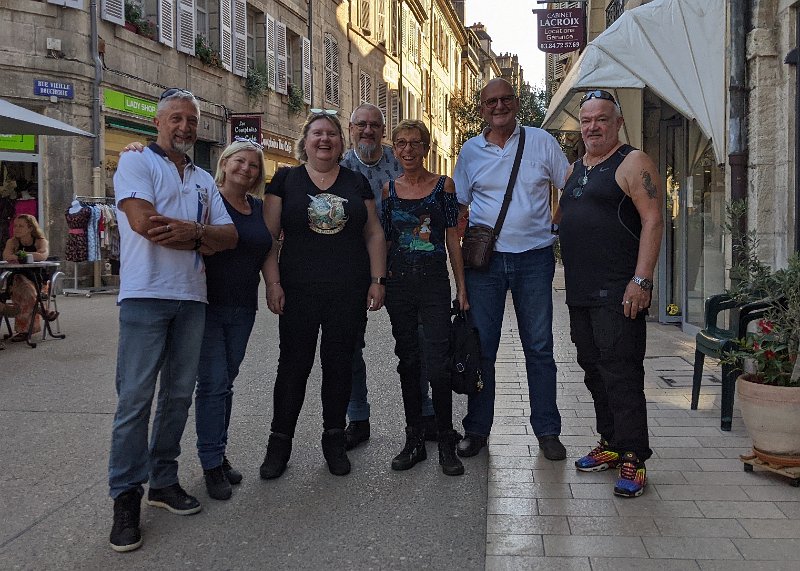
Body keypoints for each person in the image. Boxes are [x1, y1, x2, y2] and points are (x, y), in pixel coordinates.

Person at [108, 88, 237, 553]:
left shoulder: (203, 177)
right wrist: (202, 239)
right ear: (158, 122)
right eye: (177, 118)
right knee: (135, 400)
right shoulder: (136, 161)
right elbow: (145, 224)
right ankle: (126, 495)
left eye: (192, 120)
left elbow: (229, 236)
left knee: (178, 397)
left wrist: (197, 232)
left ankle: (163, 481)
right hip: (145, 295)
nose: (185, 127)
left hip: (192, 298)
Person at [120, 136, 273, 501]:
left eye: (253, 165)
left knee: (225, 384)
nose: (246, 169)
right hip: (205, 303)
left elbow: (258, 245)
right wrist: (138, 147)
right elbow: (180, 233)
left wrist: (273, 285)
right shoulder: (207, 195)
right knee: (213, 385)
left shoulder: (256, 206)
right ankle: (210, 463)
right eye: (239, 161)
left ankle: (217, 452)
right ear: (225, 163)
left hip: (243, 306)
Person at [259, 110, 386, 479]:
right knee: (293, 367)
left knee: (339, 366)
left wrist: (377, 279)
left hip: (347, 291)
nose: (324, 139)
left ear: (341, 141)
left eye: (331, 133)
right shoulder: (285, 180)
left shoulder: (356, 182)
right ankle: (279, 444)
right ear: (306, 140)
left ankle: (334, 440)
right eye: (317, 133)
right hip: (298, 292)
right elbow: (269, 238)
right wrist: (273, 283)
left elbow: (374, 233)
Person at [453, 78, 568, 461]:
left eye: (505, 100)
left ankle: (548, 431)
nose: (498, 106)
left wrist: (555, 225)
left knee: (539, 348)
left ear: (516, 103)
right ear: (482, 108)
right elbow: (461, 206)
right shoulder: (470, 151)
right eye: (491, 102)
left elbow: (570, 187)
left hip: (534, 258)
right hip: (484, 264)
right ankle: (477, 429)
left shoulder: (541, 141)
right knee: (482, 348)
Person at [557, 89, 663, 498]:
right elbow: (561, 220)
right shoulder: (575, 168)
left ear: (617, 122)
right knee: (592, 368)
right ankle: (612, 442)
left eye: (601, 119)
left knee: (622, 372)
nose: (593, 127)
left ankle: (634, 455)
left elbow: (653, 221)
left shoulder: (633, 162)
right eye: (586, 120)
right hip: (581, 292)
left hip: (620, 292)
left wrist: (642, 280)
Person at [340, 104, 436, 450]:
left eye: (374, 125)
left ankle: (425, 412)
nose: (367, 131)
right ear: (350, 129)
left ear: (383, 131)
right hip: (351, 267)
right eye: (361, 124)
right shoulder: (339, 168)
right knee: (350, 343)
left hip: (401, 267)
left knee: (416, 342)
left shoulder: (401, 162)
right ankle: (358, 417)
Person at [381, 119, 467, 476]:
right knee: (408, 361)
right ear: (395, 149)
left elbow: (452, 239)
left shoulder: (443, 186)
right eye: (401, 143)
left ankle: (445, 440)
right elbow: (386, 240)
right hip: (399, 286)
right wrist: (378, 281)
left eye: (415, 143)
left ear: (426, 148)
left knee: (438, 363)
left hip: (433, 284)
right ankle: (414, 439)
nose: (408, 150)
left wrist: (462, 288)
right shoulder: (388, 190)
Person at [2, 214, 58, 341]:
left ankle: (24, 331)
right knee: (22, 282)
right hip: (15, 281)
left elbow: (42, 255)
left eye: (21, 226)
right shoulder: (12, 242)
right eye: (15, 226)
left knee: (25, 290)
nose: (16, 229)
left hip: (37, 281)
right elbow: (6, 256)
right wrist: (29, 256)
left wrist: (21, 255)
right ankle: (42, 311)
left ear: (30, 228)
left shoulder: (40, 241)